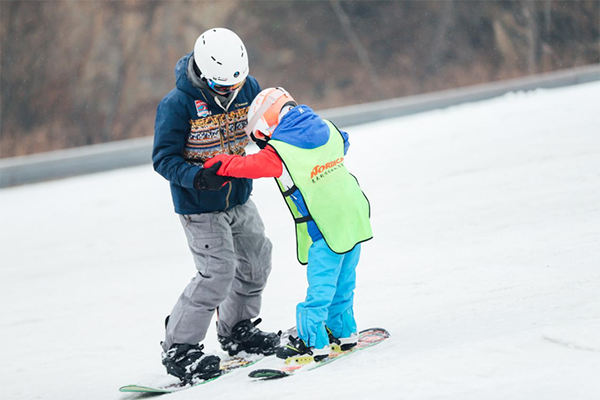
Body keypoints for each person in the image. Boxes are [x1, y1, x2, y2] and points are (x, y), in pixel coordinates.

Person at [204, 87, 373, 364]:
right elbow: (343, 142)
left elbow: (251, 166)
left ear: (266, 125)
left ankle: (311, 341)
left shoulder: (280, 151)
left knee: (322, 286)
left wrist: (220, 164)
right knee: (344, 281)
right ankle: (345, 331)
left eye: (261, 136)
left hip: (325, 226)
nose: (263, 141)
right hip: (354, 215)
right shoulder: (328, 129)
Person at [152, 28, 279, 383]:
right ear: (205, 75)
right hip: (199, 206)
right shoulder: (177, 105)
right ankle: (180, 348)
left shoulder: (248, 88)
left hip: (239, 196)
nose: (231, 92)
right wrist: (196, 177)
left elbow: (262, 127)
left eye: (235, 85)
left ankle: (238, 330)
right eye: (222, 87)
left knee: (256, 262)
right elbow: (163, 159)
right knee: (217, 273)